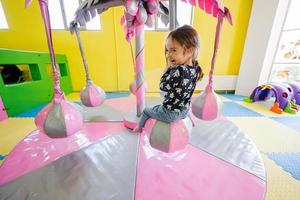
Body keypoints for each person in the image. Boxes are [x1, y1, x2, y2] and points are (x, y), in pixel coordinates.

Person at [133, 25, 204, 132]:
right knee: (161, 105)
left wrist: (168, 70)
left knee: (146, 110)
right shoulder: (196, 68)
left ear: (190, 51)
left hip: (170, 114)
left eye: (173, 50)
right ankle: (190, 120)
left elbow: (162, 86)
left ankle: (138, 128)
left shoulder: (179, 70)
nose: (168, 55)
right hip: (184, 110)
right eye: (167, 50)